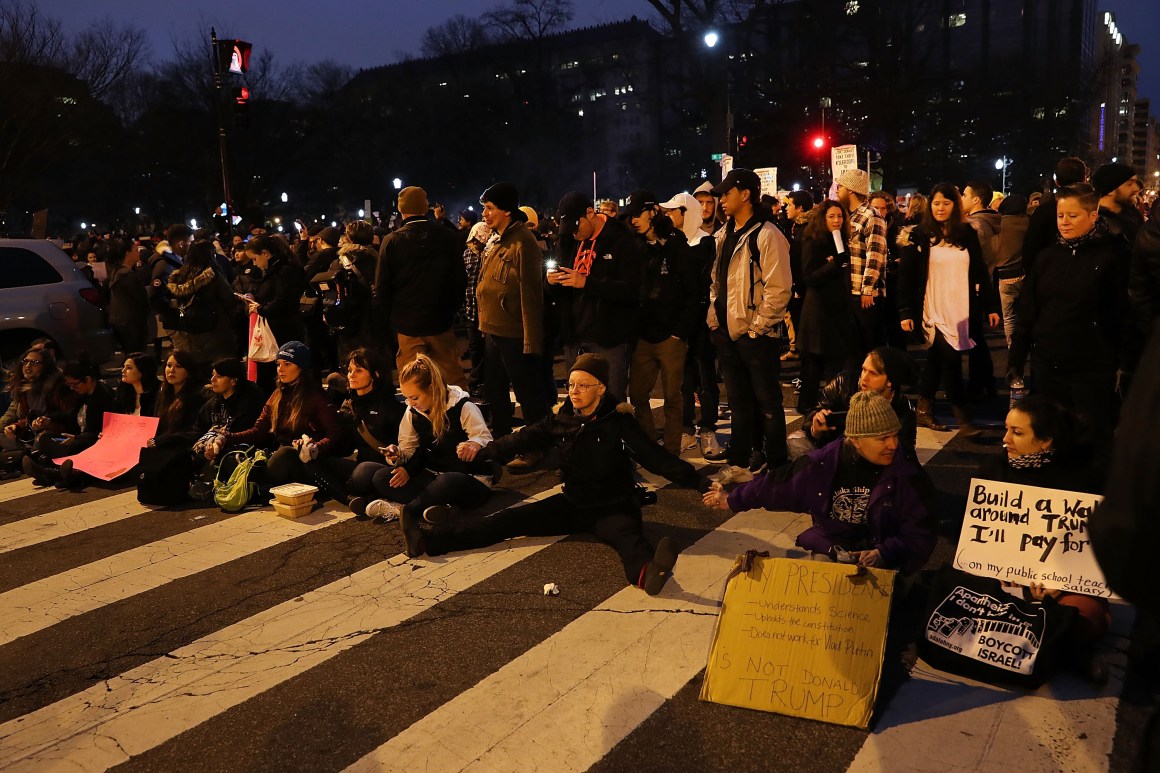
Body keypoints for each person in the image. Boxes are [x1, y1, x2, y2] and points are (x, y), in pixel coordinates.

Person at [398, 354, 711, 596]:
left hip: (613, 505)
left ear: (601, 388)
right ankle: (428, 540)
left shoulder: (619, 423)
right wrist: (483, 451)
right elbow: (524, 438)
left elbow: (656, 458)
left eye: (583, 385)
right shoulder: (563, 418)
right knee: (507, 521)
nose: (574, 391)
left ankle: (648, 573)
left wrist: (699, 481)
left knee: (629, 542)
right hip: (573, 502)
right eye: (570, 384)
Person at [704, 391, 935, 576]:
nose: (893, 445)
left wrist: (884, 552)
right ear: (855, 441)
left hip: (884, 554)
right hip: (834, 547)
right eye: (882, 438)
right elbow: (775, 485)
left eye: (894, 435)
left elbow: (921, 532)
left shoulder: (906, 470)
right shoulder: (823, 463)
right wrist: (732, 499)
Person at [980, 395, 1109, 683]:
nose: (1005, 439)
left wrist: (1059, 580)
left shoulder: (1083, 478)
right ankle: (1054, 644)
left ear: (1045, 441)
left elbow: (1094, 547)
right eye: (1006, 429)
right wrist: (1001, 567)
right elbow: (976, 534)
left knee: (1087, 616)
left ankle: (1069, 648)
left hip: (1060, 582)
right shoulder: (994, 469)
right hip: (1006, 577)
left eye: (1017, 432)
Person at [1009, 184, 1130, 434]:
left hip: (1091, 368)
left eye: (1072, 216)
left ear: (1092, 216)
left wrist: (1122, 362)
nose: (1064, 222)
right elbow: (1029, 309)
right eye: (1060, 215)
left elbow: (1122, 314)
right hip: (1046, 366)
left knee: (1090, 436)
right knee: (1049, 434)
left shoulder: (1112, 256)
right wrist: (1017, 357)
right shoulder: (1047, 257)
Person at [707, 168, 793, 474]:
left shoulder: (768, 234)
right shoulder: (722, 235)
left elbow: (779, 288)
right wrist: (714, 320)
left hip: (756, 334)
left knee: (767, 402)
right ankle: (746, 456)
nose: (721, 201)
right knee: (740, 402)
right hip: (728, 332)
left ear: (745, 194)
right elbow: (716, 282)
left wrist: (757, 327)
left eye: (726, 194)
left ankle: (778, 460)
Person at [898, 182, 999, 436]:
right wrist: (905, 311)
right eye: (936, 203)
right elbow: (906, 278)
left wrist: (990, 306)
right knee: (951, 357)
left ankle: (923, 409)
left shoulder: (967, 233)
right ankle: (963, 416)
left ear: (954, 205)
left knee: (937, 359)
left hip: (960, 308)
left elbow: (979, 270)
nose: (940, 208)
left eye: (946, 202)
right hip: (932, 307)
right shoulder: (919, 235)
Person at [350, 353, 495, 525]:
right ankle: (436, 508)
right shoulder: (412, 412)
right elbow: (408, 448)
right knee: (381, 477)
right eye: (406, 398)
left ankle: (403, 510)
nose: (410, 403)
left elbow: (484, 437)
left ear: (432, 388)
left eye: (415, 397)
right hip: (432, 474)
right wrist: (396, 454)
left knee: (447, 482)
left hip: (470, 478)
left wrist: (474, 444)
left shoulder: (463, 406)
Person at [623, 190, 701, 456]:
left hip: (670, 335)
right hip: (642, 335)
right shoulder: (633, 245)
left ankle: (671, 450)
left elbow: (694, 292)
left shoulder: (676, 243)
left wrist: (680, 332)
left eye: (637, 214)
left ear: (652, 211)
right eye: (630, 215)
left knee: (672, 397)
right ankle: (648, 448)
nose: (633, 220)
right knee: (638, 396)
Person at [552, 191, 645, 402]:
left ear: (590, 213)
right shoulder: (568, 241)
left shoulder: (622, 240)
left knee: (610, 402)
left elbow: (631, 290)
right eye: (569, 229)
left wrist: (587, 283)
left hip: (609, 339)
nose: (574, 233)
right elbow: (562, 290)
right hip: (574, 337)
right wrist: (551, 282)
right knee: (578, 402)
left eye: (577, 226)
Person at [211, 341, 343, 488]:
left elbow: (334, 434)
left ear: (301, 367)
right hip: (280, 457)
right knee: (227, 457)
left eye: (287, 364)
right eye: (278, 364)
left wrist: (314, 447)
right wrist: (227, 438)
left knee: (285, 454)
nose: (281, 369)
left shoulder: (316, 396)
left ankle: (251, 487)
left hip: (308, 462)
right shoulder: (277, 394)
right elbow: (258, 430)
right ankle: (241, 485)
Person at [375, 185, 467, 387]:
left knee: (413, 383)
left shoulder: (392, 241)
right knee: (453, 382)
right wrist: (451, 310)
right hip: (440, 320)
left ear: (401, 209)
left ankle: (421, 419)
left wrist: (391, 320)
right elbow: (460, 279)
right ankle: (458, 417)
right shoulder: (448, 237)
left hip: (408, 324)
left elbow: (382, 287)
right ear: (426, 208)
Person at [476, 182, 548, 440]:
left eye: (489, 208)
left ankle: (536, 444)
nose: (484, 214)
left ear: (506, 211)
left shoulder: (523, 241)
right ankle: (502, 437)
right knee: (495, 390)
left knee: (527, 392)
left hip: (513, 333)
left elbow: (531, 296)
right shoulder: (499, 238)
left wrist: (531, 341)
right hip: (493, 330)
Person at [660, 191, 724, 460]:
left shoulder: (705, 242)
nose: (667, 216)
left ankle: (708, 428)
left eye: (673, 211)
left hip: (701, 321)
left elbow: (704, 284)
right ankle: (686, 427)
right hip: (679, 321)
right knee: (682, 378)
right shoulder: (671, 242)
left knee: (705, 375)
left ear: (686, 214)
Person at [304, 347, 403, 514]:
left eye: (359, 370)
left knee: (363, 471)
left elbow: (406, 447)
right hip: (360, 469)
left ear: (375, 375)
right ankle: (352, 501)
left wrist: (395, 453)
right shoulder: (349, 406)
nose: (351, 375)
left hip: (387, 470)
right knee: (311, 462)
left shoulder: (390, 406)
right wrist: (315, 444)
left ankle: (372, 498)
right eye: (349, 371)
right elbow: (345, 447)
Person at [795, 346, 917, 459]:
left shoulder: (904, 411)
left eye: (873, 373)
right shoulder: (843, 384)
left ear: (890, 381)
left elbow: (906, 454)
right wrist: (815, 429)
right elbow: (813, 415)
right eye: (864, 370)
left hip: (875, 463)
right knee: (797, 441)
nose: (864, 378)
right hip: (834, 453)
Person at [795, 199, 853, 413]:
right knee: (813, 364)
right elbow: (809, 277)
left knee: (836, 364)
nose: (837, 220)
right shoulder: (812, 240)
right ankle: (807, 407)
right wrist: (834, 264)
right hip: (818, 311)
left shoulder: (842, 240)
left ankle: (833, 405)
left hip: (838, 310)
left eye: (840, 216)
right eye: (832, 216)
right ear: (823, 218)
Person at [22, 356, 116, 487]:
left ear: (87, 380)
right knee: (45, 437)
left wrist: (77, 437)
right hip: (79, 436)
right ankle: (56, 472)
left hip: (94, 441)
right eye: (70, 385)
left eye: (74, 384)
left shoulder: (103, 397)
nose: (72, 388)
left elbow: (104, 432)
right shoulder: (83, 395)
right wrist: (48, 419)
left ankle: (52, 472)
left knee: (72, 446)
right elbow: (70, 415)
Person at [243, 236, 308, 391]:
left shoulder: (285, 271)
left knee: (282, 379)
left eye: (254, 258)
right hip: (274, 332)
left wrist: (259, 308)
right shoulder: (274, 271)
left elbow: (282, 302)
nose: (254, 263)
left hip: (282, 333)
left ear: (265, 253)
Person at [836, 169, 888, 358]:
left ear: (850, 190)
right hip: (851, 291)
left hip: (866, 295)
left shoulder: (871, 215)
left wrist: (867, 289)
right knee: (854, 347)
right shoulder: (848, 216)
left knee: (871, 347)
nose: (837, 190)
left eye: (840, 186)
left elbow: (875, 254)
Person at [166, 240, 241, 367]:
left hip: (190, 332)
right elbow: (229, 300)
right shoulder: (212, 275)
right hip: (216, 331)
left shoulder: (180, 277)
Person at [1, 347, 72, 453]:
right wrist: (16, 427)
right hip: (33, 436)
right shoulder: (24, 388)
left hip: (58, 437)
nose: (28, 366)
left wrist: (49, 424)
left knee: (42, 440)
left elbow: (70, 419)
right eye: (25, 361)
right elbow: (29, 418)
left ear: (45, 367)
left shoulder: (58, 388)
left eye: (35, 362)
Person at [104, 238, 150, 356]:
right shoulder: (128, 277)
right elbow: (142, 300)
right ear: (127, 253)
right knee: (136, 357)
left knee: (129, 355)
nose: (139, 252)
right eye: (135, 250)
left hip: (120, 322)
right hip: (132, 324)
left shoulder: (115, 272)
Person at [1093, 162, 1143, 245]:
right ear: (1110, 190)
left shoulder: (1134, 215)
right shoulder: (1093, 222)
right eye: (1129, 184)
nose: (1136, 188)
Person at [115, 352, 159, 417]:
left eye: (129, 368)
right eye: (123, 367)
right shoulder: (123, 391)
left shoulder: (158, 394)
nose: (123, 371)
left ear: (142, 371)